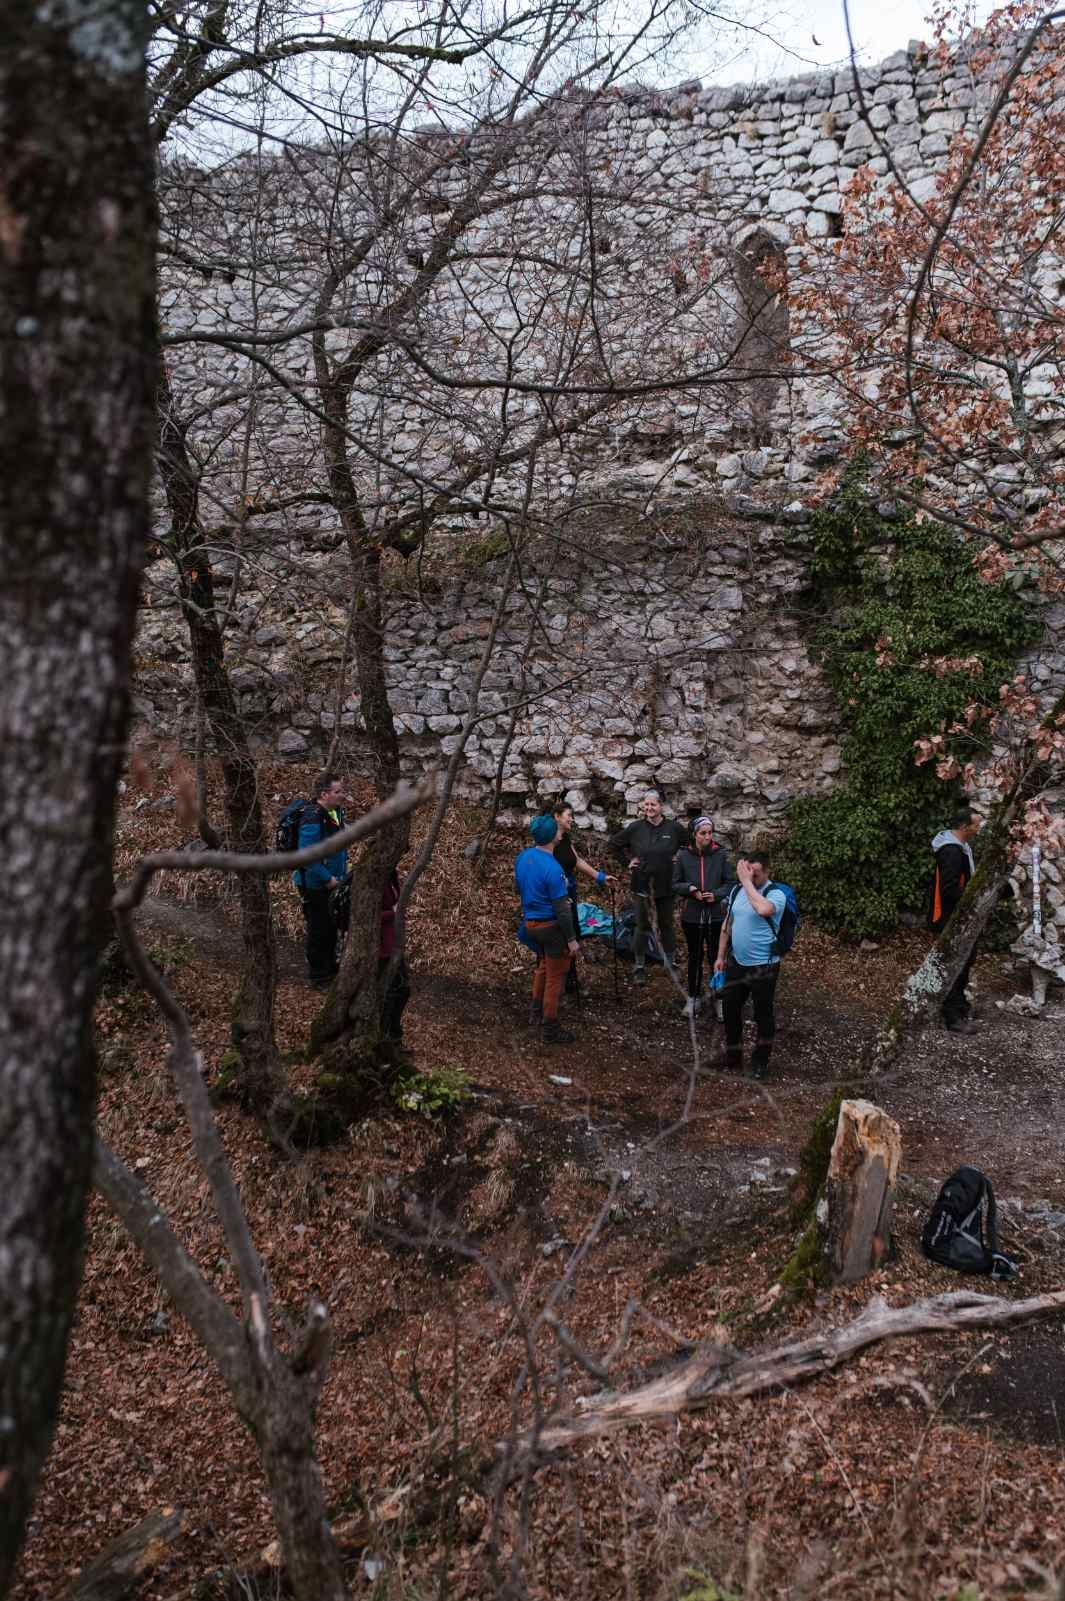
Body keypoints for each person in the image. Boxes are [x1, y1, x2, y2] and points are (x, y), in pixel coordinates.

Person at [714, 850, 786, 1077]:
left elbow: (763, 909)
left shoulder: (777, 894)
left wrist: (747, 882)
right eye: (748, 872)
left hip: (764, 966)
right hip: (737, 963)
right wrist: (720, 956)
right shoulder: (738, 891)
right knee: (730, 1008)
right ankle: (733, 1056)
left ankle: (760, 1063)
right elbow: (728, 924)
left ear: (767, 871)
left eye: (755, 874)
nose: (750, 877)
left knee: (762, 1014)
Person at [515, 814, 581, 1045]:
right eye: (557, 830)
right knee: (556, 977)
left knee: (543, 966)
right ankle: (550, 1028)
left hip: (530, 924)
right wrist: (571, 939)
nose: (561, 832)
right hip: (551, 928)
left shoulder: (523, 857)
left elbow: (520, 887)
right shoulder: (553, 868)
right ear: (551, 836)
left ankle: (535, 1011)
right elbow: (562, 909)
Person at [609, 790, 686, 984]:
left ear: (661, 806)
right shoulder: (635, 828)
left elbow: (690, 846)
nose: (649, 808)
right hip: (642, 885)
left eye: (654, 804)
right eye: (647, 805)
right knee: (642, 926)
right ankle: (639, 966)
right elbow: (613, 844)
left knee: (666, 924)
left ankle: (671, 963)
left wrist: (681, 861)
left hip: (667, 886)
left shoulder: (674, 829)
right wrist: (627, 861)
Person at [551, 802, 616, 993]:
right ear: (556, 816)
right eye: (568, 815)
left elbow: (576, 861)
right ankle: (555, 985)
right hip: (557, 897)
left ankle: (569, 980)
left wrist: (601, 877)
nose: (571, 819)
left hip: (570, 893)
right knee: (560, 938)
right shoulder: (548, 843)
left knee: (572, 935)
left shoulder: (566, 838)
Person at [673, 816, 734, 1017]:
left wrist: (715, 895)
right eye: (703, 833)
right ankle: (693, 997)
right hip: (692, 914)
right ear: (694, 834)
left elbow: (730, 883)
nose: (708, 837)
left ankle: (720, 998)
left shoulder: (721, 854)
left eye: (710, 832)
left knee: (716, 957)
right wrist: (691, 890)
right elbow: (675, 883)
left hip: (716, 915)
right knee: (695, 956)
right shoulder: (683, 855)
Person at [931, 808, 984, 1034]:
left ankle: (960, 1006)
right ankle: (952, 1017)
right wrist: (976, 900)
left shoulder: (962, 848)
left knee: (964, 961)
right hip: (952, 918)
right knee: (956, 964)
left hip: (959, 916)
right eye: (976, 824)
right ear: (964, 827)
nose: (978, 828)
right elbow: (949, 889)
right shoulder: (952, 851)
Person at [292, 772, 347, 990]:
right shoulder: (312, 818)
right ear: (324, 794)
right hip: (314, 885)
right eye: (338, 792)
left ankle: (330, 968)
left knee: (331, 927)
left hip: (333, 881)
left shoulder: (335, 812)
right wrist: (329, 879)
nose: (342, 795)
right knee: (319, 929)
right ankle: (319, 977)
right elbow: (308, 857)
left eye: (342, 791)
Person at [378, 869, 411, 1046]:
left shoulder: (391, 874)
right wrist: (393, 911)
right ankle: (389, 1035)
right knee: (394, 991)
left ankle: (393, 1034)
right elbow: (368, 914)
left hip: (393, 944)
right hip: (381, 948)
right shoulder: (375, 878)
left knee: (402, 990)